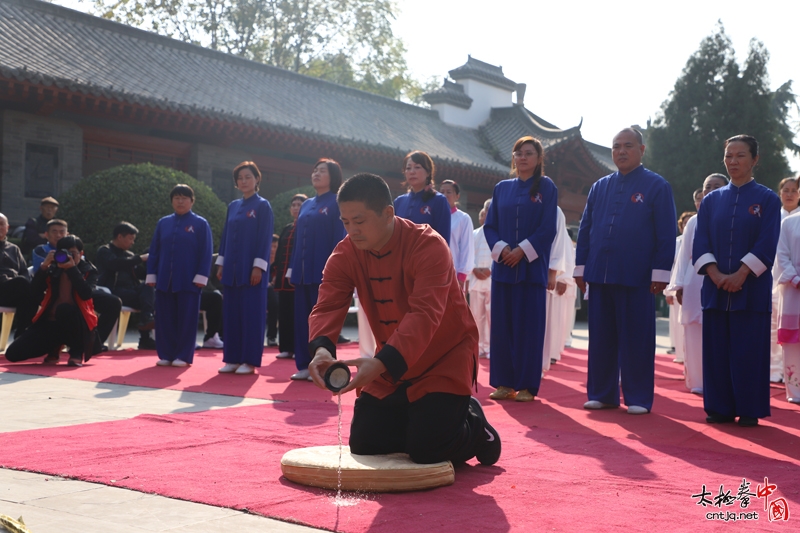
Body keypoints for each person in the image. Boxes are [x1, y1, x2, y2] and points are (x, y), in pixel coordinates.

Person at [307, 173, 500, 466]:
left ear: (388, 213)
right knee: (365, 446)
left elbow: (425, 314)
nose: (352, 230)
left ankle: (474, 426)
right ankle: (424, 420)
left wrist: (382, 363)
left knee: (429, 451)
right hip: (392, 361)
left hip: (444, 358)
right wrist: (322, 350)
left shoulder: (428, 246)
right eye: (345, 222)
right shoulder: (346, 252)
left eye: (359, 221)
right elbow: (327, 304)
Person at [574, 128, 676, 415]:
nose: (620, 151)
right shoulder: (599, 186)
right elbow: (585, 230)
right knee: (601, 337)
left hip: (638, 275)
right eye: (616, 146)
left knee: (637, 339)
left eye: (627, 146)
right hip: (599, 273)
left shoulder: (657, 185)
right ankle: (602, 393)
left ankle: (639, 397)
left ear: (641, 150)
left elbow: (666, 234)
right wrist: (581, 267)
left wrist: (660, 272)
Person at [693, 135, 780, 427]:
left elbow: (767, 243)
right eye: (728, 156)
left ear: (755, 159)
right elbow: (700, 242)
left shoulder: (768, 199)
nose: (733, 161)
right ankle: (719, 407)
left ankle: (750, 408)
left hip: (751, 289)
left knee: (749, 350)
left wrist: (741, 273)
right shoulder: (711, 201)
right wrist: (716, 275)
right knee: (716, 350)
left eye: (740, 156)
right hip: (715, 289)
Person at [484, 136, 558, 403]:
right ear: (513, 158)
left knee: (529, 328)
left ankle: (527, 385)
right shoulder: (501, 188)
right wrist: (502, 248)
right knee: (502, 327)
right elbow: (490, 226)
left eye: (529, 153)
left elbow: (548, 228)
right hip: (503, 269)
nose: (523, 157)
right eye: (519, 153)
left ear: (538, 159)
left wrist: (523, 251)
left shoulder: (546, 187)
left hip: (531, 270)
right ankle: (504, 383)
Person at [287, 159, 346, 380]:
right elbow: (297, 239)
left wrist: (336, 270)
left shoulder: (337, 202)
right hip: (302, 273)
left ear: (333, 176)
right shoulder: (306, 204)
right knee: (303, 319)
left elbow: (339, 239)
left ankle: (323, 365)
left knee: (323, 321)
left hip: (323, 273)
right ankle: (303, 364)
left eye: (322, 171)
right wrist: (292, 269)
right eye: (315, 170)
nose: (316, 174)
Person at [671, 174, 728, 395]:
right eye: (707, 187)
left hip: (724, 280)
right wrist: (679, 285)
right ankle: (697, 380)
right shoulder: (693, 221)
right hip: (695, 282)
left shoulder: (734, 217)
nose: (711, 190)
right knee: (695, 330)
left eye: (717, 186)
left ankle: (720, 380)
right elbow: (684, 256)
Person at [5, 235, 101, 366]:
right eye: (64, 253)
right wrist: (44, 267)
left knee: (64, 309)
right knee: (13, 354)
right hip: (51, 321)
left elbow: (86, 294)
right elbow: (33, 293)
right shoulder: (53, 268)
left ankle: (76, 351)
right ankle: (55, 345)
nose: (69, 257)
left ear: (81, 253)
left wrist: (72, 269)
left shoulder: (89, 270)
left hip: (78, 323)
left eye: (73, 253)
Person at [216, 162, 274, 374]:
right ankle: (231, 358)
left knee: (251, 315)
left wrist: (258, 267)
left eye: (248, 177)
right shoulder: (232, 206)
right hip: (231, 269)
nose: (244, 181)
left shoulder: (262, 206)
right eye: (240, 178)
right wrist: (221, 263)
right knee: (231, 314)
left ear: (257, 179)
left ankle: (249, 361)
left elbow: (264, 238)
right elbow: (225, 238)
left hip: (252, 271)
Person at [146, 184, 213, 367]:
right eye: (177, 198)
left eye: (184, 198)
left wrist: (201, 275)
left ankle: (183, 355)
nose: (180, 201)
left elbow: (206, 252)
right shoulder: (163, 223)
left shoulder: (200, 224)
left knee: (187, 319)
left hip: (189, 279)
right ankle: (166, 354)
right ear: (172, 201)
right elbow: (154, 251)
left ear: (192, 201)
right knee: (164, 317)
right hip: (164, 279)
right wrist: (151, 273)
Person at [33, 219, 121, 348]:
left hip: (79, 289)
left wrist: (72, 265)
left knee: (113, 302)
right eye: (54, 232)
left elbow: (86, 285)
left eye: (62, 232)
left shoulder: (76, 249)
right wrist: (45, 265)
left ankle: (94, 343)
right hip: (55, 291)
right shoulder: (42, 251)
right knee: (16, 353)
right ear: (46, 234)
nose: (58, 235)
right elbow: (36, 284)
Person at [95, 222, 156, 350]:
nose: (132, 242)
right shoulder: (105, 251)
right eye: (130, 238)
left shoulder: (129, 255)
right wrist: (140, 258)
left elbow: (141, 273)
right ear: (120, 237)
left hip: (133, 293)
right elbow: (115, 264)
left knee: (149, 288)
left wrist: (156, 265)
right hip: (113, 292)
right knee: (148, 300)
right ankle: (145, 331)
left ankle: (146, 324)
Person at [769, 176, 800, 382]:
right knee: (773, 327)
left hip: (790, 281)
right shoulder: (772, 217)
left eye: (793, 190)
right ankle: (774, 370)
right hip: (774, 278)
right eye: (785, 190)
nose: (789, 194)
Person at [273, 193, 307, 359]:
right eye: (293, 205)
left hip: (297, 278)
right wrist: (274, 273)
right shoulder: (287, 228)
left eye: (299, 204)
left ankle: (297, 348)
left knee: (297, 314)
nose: (295, 208)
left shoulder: (306, 227)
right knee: (284, 314)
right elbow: (279, 254)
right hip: (282, 279)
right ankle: (285, 347)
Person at [393, 151, 451, 242]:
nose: (412, 172)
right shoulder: (398, 202)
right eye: (408, 168)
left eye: (417, 167)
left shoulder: (439, 200)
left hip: (426, 255)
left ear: (428, 172)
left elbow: (443, 239)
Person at [542, 206, 573, 372]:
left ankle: (551, 353)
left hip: (552, 277)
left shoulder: (555, 212)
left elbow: (564, 255)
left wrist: (562, 278)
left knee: (553, 320)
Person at [775, 202, 800, 403]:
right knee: (793, 341)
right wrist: (795, 279)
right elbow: (781, 256)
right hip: (794, 291)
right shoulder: (788, 223)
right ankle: (795, 390)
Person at [665, 212, 695, 364]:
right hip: (678, 284)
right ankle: (680, 353)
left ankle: (691, 354)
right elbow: (672, 267)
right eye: (684, 224)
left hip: (694, 283)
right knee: (677, 321)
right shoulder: (676, 243)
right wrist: (668, 291)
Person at [0, 213, 36, 337]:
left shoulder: (14, 249)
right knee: (23, 284)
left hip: (14, 291)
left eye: (1, 224)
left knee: (33, 291)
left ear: (7, 227)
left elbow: (24, 272)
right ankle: (23, 334)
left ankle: (22, 334)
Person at [468, 199, 493, 359]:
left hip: (492, 280)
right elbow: (468, 254)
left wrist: (490, 270)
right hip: (476, 279)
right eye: (487, 210)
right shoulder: (475, 233)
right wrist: (475, 269)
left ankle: (490, 347)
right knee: (476, 316)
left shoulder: (501, 233)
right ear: (484, 213)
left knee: (492, 317)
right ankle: (477, 346)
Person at [440, 180, 474, 291]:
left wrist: (462, 276)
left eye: (448, 192)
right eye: (442, 192)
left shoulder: (463, 218)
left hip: (454, 274)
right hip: (435, 271)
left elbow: (467, 248)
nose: (444, 195)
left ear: (457, 196)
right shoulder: (435, 216)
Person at [266, 234, 280, 347]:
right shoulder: (260, 262)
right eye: (270, 246)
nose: (272, 250)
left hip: (275, 294)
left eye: (275, 246)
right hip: (260, 291)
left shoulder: (280, 264)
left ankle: (271, 336)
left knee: (275, 302)